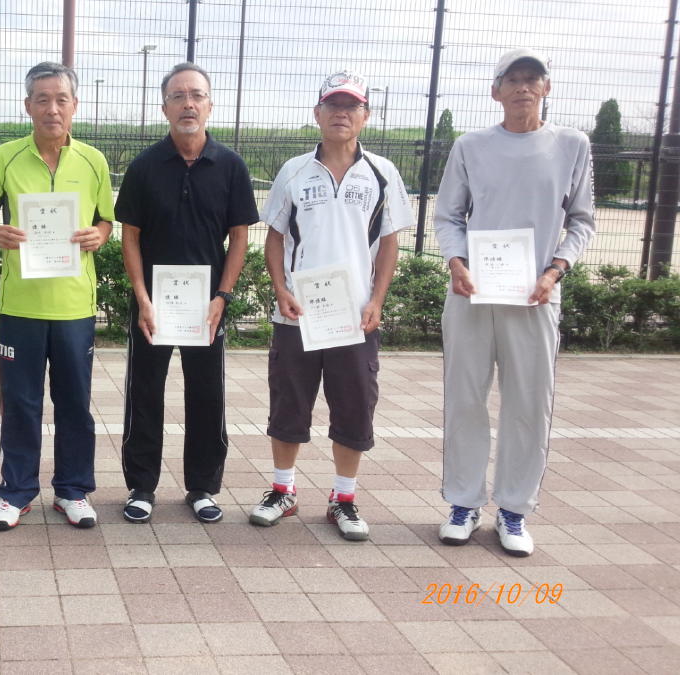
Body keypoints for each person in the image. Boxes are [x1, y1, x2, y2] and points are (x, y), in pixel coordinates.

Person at [435, 49, 595, 557]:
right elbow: (448, 215)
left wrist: (555, 271)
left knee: (528, 402)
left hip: (535, 294)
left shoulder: (571, 144)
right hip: (471, 291)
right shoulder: (471, 145)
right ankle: (463, 503)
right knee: (465, 397)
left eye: (533, 79)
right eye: (513, 79)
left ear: (546, 88)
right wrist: (457, 263)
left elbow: (582, 220)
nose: (523, 87)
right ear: (495, 91)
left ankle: (514, 509)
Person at [253, 70, 413, 541]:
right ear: (317, 113)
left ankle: (344, 498)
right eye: (333, 105)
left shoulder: (382, 173)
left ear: (366, 115)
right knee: (289, 404)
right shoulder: (293, 170)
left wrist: (377, 300)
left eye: (351, 106)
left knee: (354, 406)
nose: (342, 113)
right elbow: (275, 237)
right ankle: (283, 490)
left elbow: (389, 242)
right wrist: (280, 289)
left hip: (355, 317)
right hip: (297, 315)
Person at [0, 62, 114, 531]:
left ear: (75, 106)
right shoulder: (4, 157)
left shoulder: (93, 161)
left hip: (75, 305)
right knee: (20, 403)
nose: (52, 109)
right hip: (21, 304)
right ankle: (14, 492)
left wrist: (99, 235)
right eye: (42, 99)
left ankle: (73, 491)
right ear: (27, 105)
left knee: (74, 402)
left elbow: (106, 220)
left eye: (61, 100)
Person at [117, 62, 257, 525]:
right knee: (144, 392)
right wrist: (142, 298)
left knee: (207, 394)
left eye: (196, 95)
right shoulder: (144, 166)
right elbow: (130, 235)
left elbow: (239, 235)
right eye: (178, 96)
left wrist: (222, 297)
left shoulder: (230, 166)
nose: (188, 104)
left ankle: (202, 486)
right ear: (165, 108)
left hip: (206, 306)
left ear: (210, 105)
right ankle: (141, 486)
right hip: (152, 306)